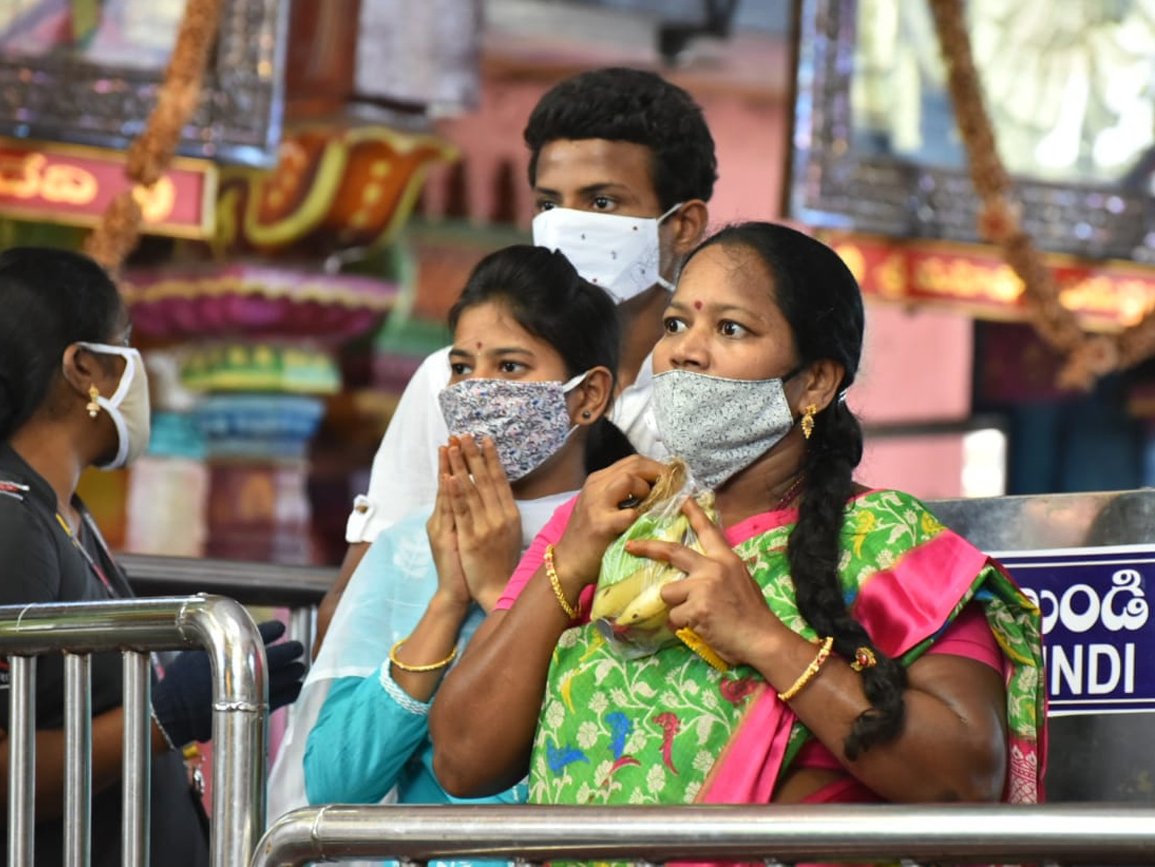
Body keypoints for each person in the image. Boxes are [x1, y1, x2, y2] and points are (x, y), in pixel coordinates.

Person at [429, 223, 1046, 816]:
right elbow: (463, 761)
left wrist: (762, 638)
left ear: (816, 383)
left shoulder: (889, 542)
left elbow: (966, 779)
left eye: (730, 328)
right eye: (676, 324)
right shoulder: (602, 520)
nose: (685, 352)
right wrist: (567, 563)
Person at [315, 67, 716, 646]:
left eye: (601, 202)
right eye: (550, 204)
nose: (568, 228)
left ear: (682, 226)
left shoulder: (711, 402)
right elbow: (356, 605)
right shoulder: (450, 386)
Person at [0, 248, 306, 867]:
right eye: (127, 343)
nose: (143, 372)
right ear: (85, 366)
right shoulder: (3, 523)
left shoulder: (63, 514)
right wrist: (163, 719)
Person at [266, 246, 626, 826]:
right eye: (462, 368)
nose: (475, 392)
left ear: (587, 396)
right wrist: (447, 601)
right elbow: (335, 781)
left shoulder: (622, 537)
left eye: (510, 368)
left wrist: (502, 593)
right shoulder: (410, 547)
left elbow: (597, 753)